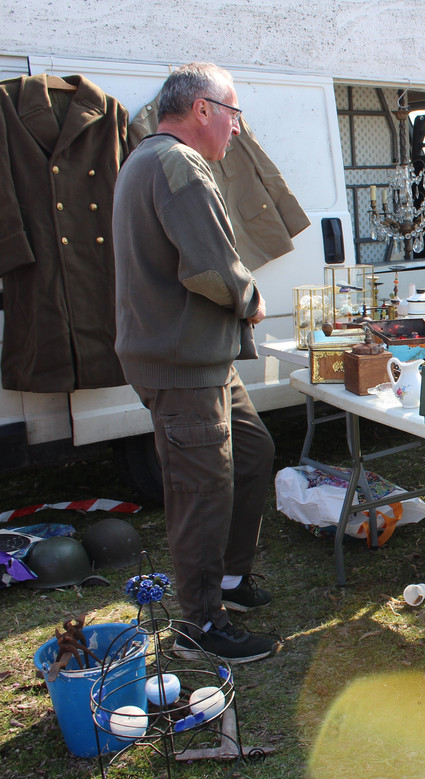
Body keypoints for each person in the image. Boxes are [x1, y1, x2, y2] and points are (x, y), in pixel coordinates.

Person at [113, 63, 279, 663]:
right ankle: (200, 626)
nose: (237, 128)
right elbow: (211, 268)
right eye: (233, 114)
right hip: (182, 362)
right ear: (203, 109)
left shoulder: (151, 159)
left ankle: (230, 582)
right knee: (200, 490)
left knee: (254, 453)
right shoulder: (176, 163)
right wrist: (252, 299)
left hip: (201, 358)